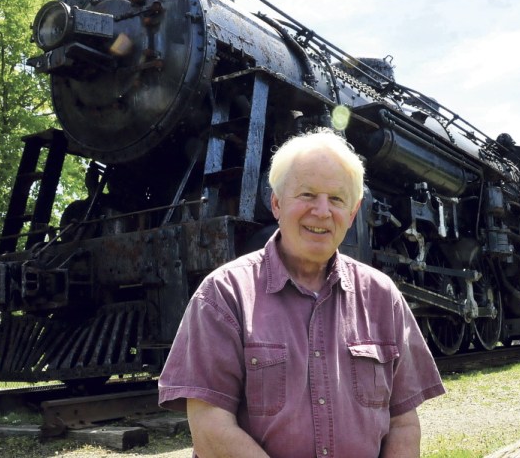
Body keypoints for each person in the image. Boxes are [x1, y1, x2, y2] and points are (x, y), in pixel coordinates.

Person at [158, 128, 445, 457]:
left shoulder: (383, 297)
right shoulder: (223, 295)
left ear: (353, 214)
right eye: (307, 195)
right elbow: (210, 426)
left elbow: (403, 423)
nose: (322, 211)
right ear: (276, 203)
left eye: (336, 199)